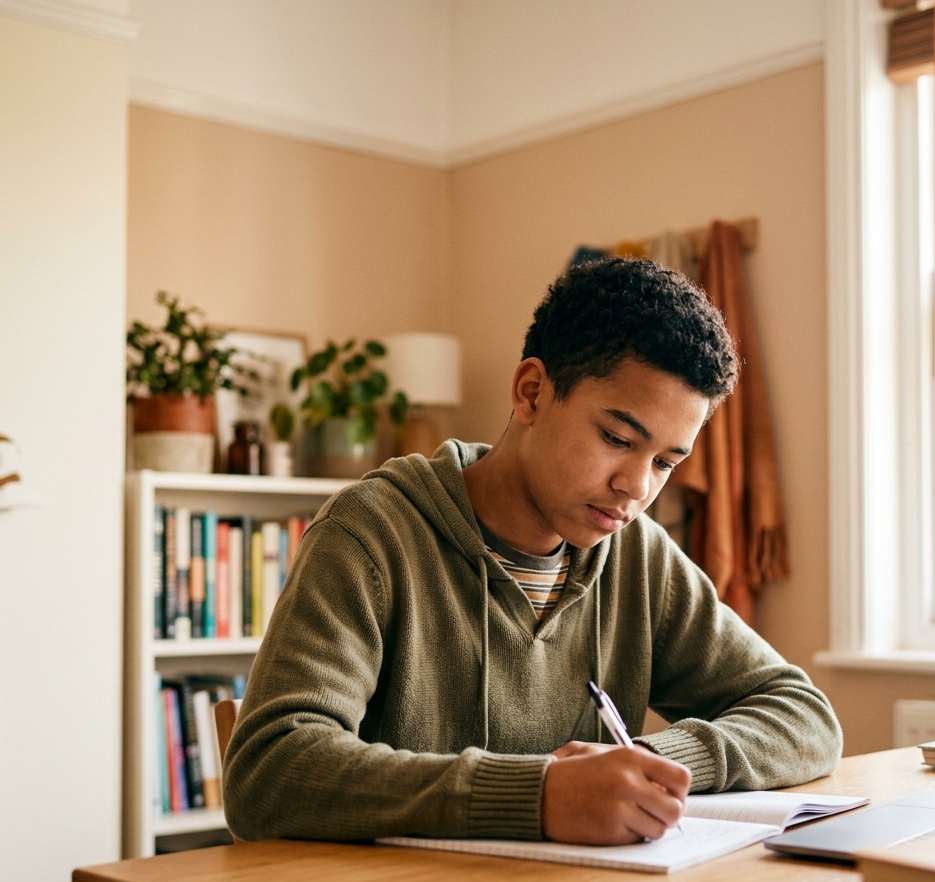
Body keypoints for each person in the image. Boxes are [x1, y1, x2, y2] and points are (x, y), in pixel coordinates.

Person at [224, 258, 842, 847]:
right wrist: (536, 794)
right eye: (617, 438)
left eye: (665, 462)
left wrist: (647, 764)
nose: (637, 487)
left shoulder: (638, 556)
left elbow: (805, 716)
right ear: (531, 392)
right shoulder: (373, 533)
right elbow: (269, 769)